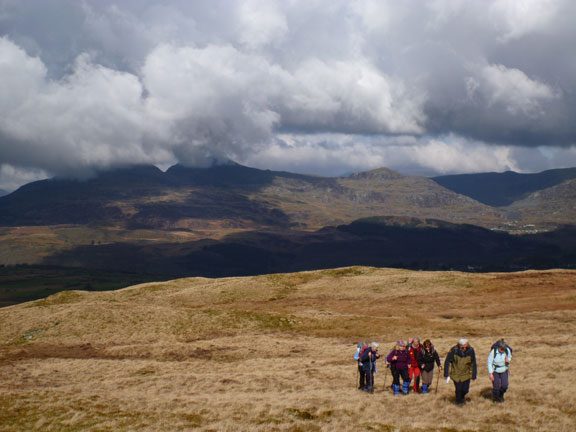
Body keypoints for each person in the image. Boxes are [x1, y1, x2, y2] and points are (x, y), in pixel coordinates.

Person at [444, 338, 477, 405]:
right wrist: (446, 373)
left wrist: (474, 375)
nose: (465, 348)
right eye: (463, 347)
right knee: (459, 389)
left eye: (466, 346)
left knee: (465, 390)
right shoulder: (453, 350)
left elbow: (473, 363)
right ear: (460, 345)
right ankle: (459, 403)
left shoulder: (471, 350)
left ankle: (461, 397)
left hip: (466, 375)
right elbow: (447, 362)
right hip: (456, 374)